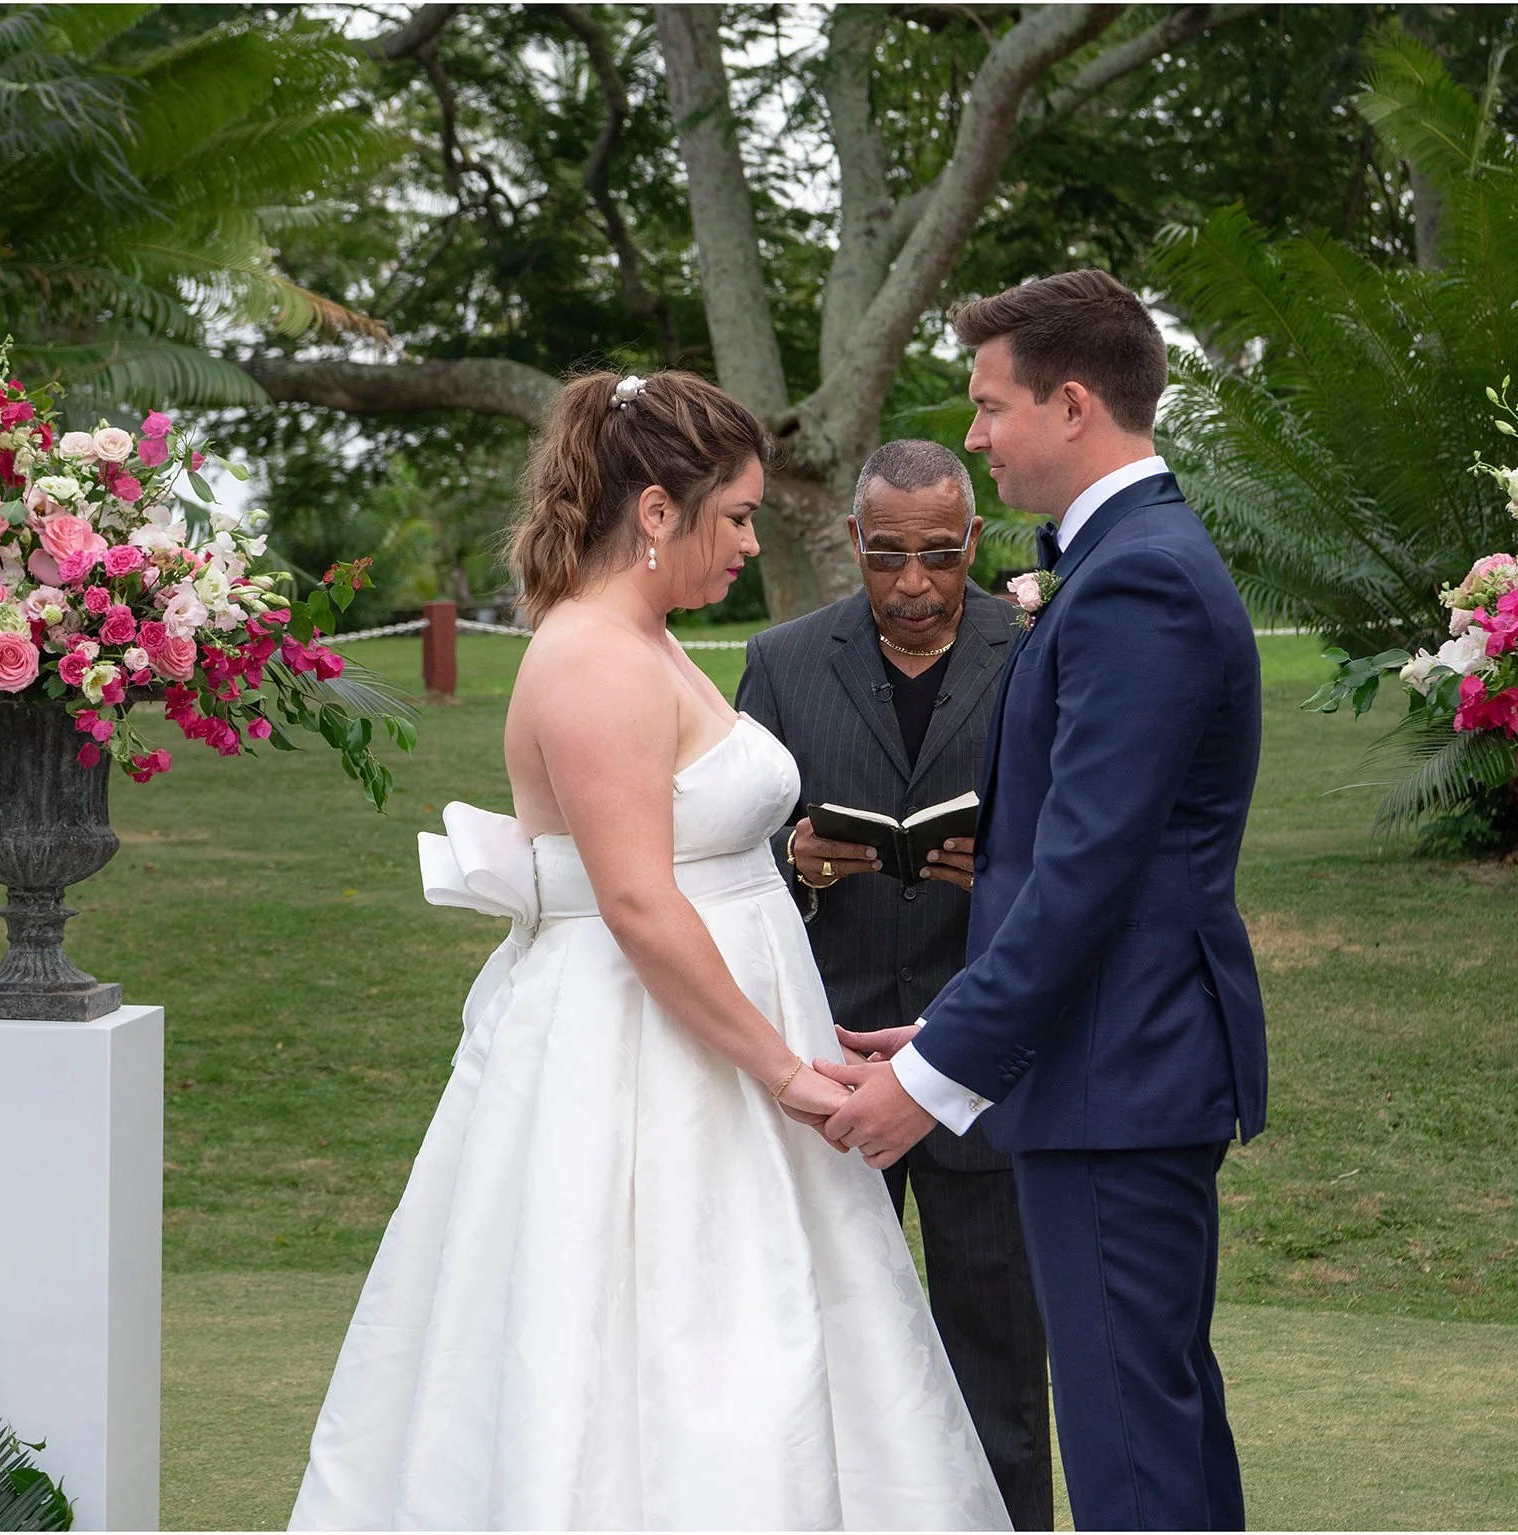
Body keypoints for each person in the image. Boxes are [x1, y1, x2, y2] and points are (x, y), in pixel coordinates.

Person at [288, 370, 1007, 1531]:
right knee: (652, 1337)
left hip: (721, 1032)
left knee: (773, 1328)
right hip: (638, 1057)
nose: (745, 544)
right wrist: (783, 1071)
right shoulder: (592, 657)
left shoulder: (647, 640)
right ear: (658, 510)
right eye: (733, 516)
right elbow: (635, 900)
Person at [817, 270, 1267, 1532]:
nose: (972, 433)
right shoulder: (1128, 560)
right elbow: (1057, 867)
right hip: (1101, 1063)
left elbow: (1086, 874)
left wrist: (931, 1077)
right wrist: (951, 1023)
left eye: (988, 403)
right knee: (1150, 1420)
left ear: (1071, 404)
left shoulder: (1140, 581)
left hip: (1117, 1072)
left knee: (1132, 1447)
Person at [735, 439, 1052, 1531]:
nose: (911, 583)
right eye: (884, 556)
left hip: (980, 1063)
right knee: (824, 1356)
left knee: (1002, 1363)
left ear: (971, 541)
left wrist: (1003, 861)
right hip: (828, 1062)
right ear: (853, 548)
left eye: (934, 554)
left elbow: (1085, 836)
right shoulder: (779, 661)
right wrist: (797, 857)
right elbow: (735, 841)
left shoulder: (1035, 645)